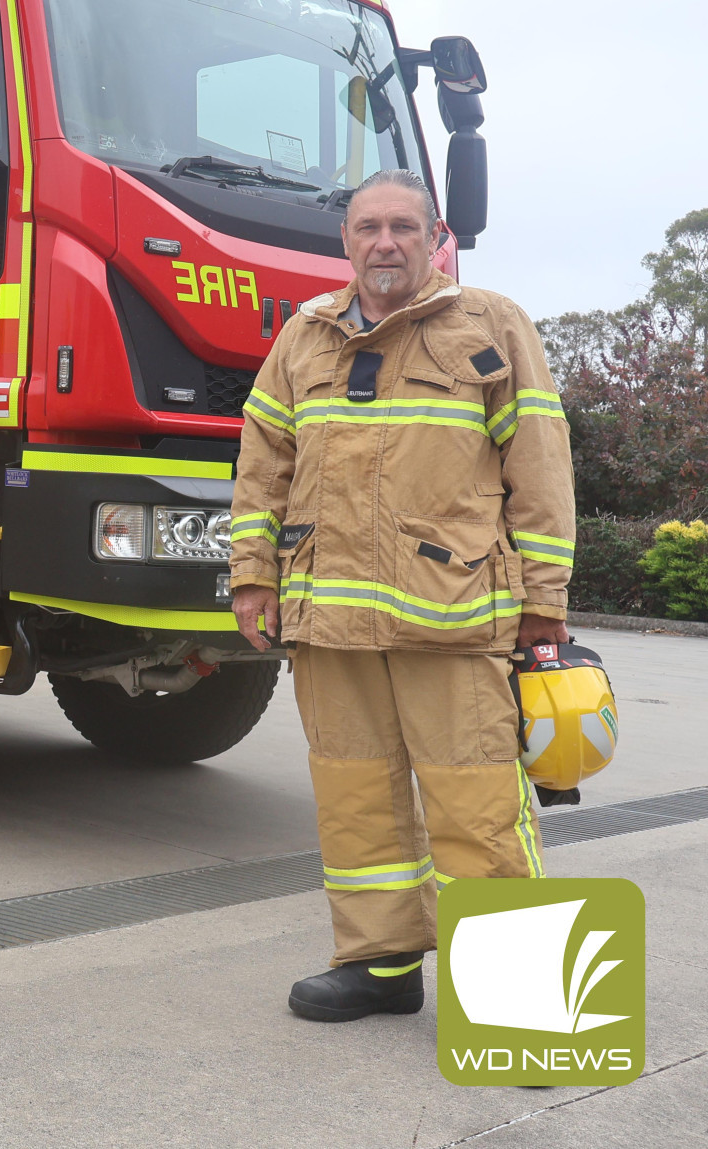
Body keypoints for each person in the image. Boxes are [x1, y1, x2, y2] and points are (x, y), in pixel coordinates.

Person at [228, 169, 574, 1022]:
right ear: (346, 241)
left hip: (453, 620)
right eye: (369, 228)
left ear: (433, 238)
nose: (385, 243)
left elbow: (539, 465)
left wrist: (545, 598)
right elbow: (261, 465)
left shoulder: (491, 325)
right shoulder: (303, 340)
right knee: (357, 804)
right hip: (333, 624)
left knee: (478, 813)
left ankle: (519, 1006)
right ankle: (379, 966)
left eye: (403, 228)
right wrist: (250, 574)